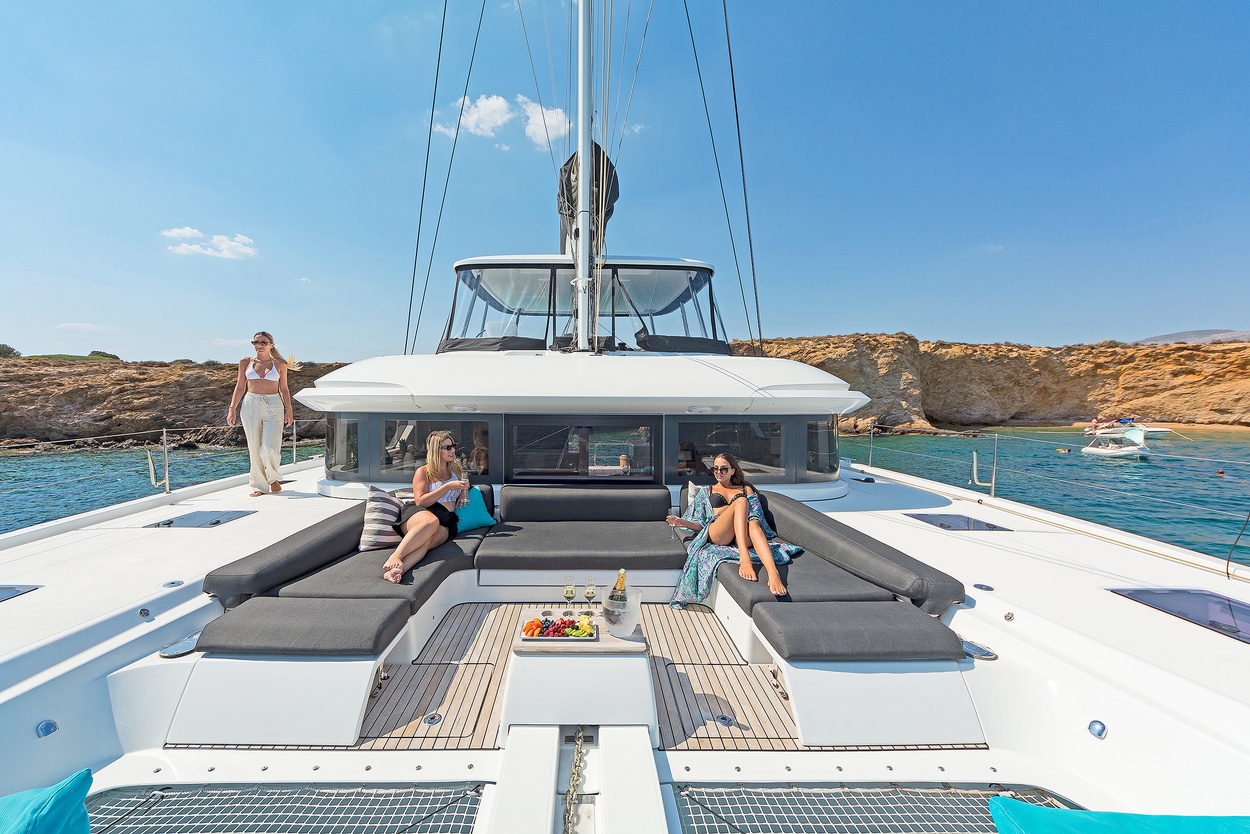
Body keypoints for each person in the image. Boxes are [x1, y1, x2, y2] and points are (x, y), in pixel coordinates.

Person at [667, 453, 800, 606]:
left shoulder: (746, 489)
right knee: (741, 502)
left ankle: (773, 573)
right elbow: (700, 524)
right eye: (715, 468)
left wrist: (752, 523)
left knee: (753, 523)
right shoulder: (707, 491)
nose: (718, 472)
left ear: (733, 470)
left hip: (743, 533)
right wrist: (683, 522)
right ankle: (745, 558)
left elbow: (756, 516)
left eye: (723, 469)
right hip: (719, 532)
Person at [384, 430, 470, 583]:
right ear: (436, 450)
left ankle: (396, 571)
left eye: (453, 446)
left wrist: (464, 492)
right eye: (448, 447)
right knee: (431, 521)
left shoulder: (455, 470)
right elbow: (421, 501)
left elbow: (459, 494)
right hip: (423, 513)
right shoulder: (423, 471)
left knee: (427, 542)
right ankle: (396, 556)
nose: (453, 450)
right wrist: (447, 487)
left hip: (446, 520)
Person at [226, 331, 294, 497]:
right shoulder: (245, 362)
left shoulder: (280, 364)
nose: (259, 345)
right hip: (251, 404)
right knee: (254, 447)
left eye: (263, 342)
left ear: (271, 345)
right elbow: (240, 386)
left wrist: (289, 409)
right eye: (256, 342)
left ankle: (273, 477)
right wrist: (232, 409)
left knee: (269, 446)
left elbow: (284, 388)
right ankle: (259, 485)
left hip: (274, 405)